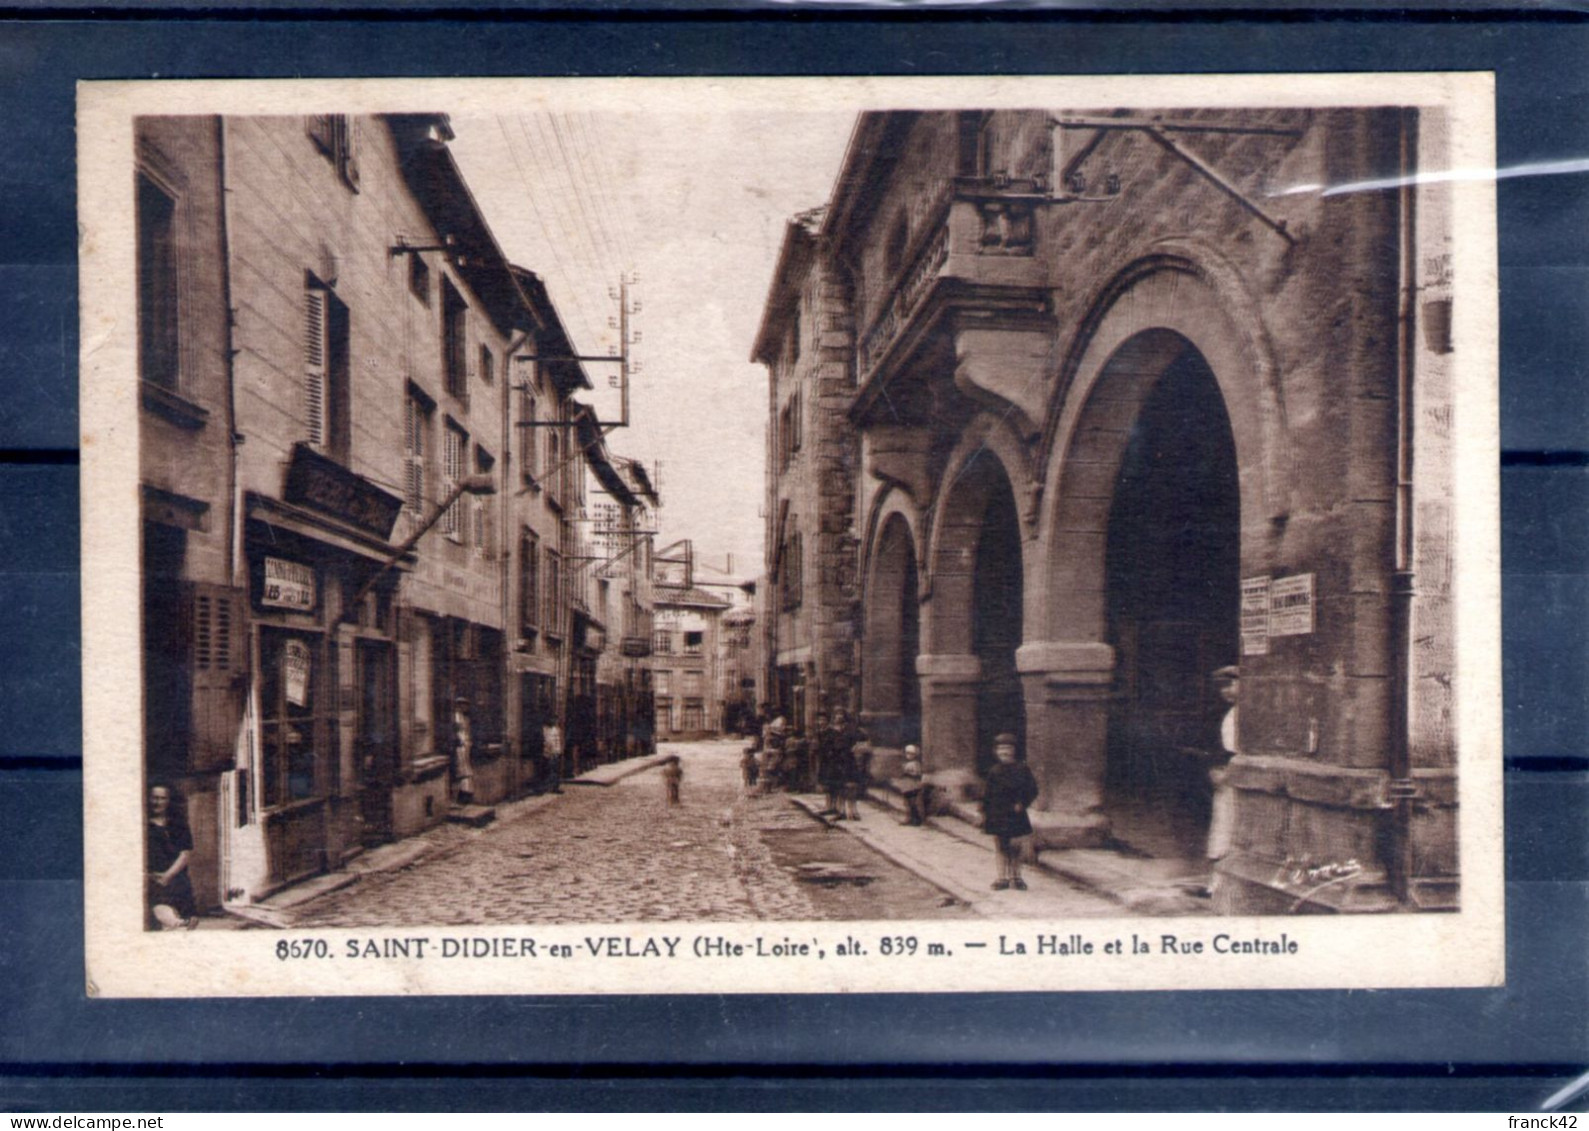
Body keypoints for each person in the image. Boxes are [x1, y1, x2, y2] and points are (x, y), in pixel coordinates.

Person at [981, 732, 1039, 891]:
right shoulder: (994, 771)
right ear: (996, 751)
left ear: (1014, 750)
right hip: (997, 814)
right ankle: (1002, 878)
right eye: (1000, 749)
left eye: (1008, 748)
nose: (1004, 752)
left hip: (1016, 814)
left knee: (1015, 846)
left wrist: (1022, 803)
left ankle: (1016, 877)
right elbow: (987, 795)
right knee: (1000, 846)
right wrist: (985, 814)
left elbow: (1032, 789)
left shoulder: (1022, 769)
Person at [1206, 665, 1241, 893]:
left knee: (1228, 827)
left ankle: (1221, 884)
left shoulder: (1242, 714)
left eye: (1231, 684)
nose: (1226, 691)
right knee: (1222, 825)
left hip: (1233, 777)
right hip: (1226, 778)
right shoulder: (1231, 713)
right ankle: (1215, 883)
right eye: (1222, 687)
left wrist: (1225, 771)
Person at [147, 783, 197, 930]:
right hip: (154, 879)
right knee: (160, 917)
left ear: (169, 800)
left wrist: (168, 876)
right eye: (154, 798)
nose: (158, 802)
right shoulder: (144, 824)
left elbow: (185, 853)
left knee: (188, 922)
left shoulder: (178, 824)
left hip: (176, 878)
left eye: (162, 798)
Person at [896, 743, 930, 826]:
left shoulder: (916, 764)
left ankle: (916, 819)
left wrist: (907, 773)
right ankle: (909, 818)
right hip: (906, 786)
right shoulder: (905, 763)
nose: (909, 755)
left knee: (913, 803)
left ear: (915, 755)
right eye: (907, 753)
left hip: (913, 786)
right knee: (907, 803)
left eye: (911, 754)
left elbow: (917, 774)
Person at [452, 699, 475, 805]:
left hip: (465, 744)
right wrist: (460, 740)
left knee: (465, 768)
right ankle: (464, 794)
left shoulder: (464, 717)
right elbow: (457, 731)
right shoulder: (456, 717)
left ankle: (466, 793)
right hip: (460, 745)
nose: (466, 708)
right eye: (464, 705)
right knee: (463, 769)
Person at [541, 719, 565, 794]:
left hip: (556, 752)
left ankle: (555, 787)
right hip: (549, 753)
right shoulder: (546, 729)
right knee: (549, 770)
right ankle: (549, 787)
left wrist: (559, 751)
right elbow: (548, 742)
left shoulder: (556, 729)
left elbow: (558, 741)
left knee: (555, 770)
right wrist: (549, 753)